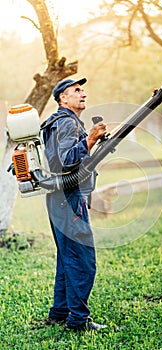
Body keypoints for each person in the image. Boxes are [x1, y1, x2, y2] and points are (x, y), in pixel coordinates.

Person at [41, 78, 107, 332]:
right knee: (82, 260)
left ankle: (59, 312)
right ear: (62, 99)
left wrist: (90, 141)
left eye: (82, 90)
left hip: (58, 198)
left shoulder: (58, 122)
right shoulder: (67, 123)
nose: (83, 93)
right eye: (76, 91)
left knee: (67, 258)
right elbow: (66, 162)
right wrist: (89, 138)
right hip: (68, 198)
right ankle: (79, 320)